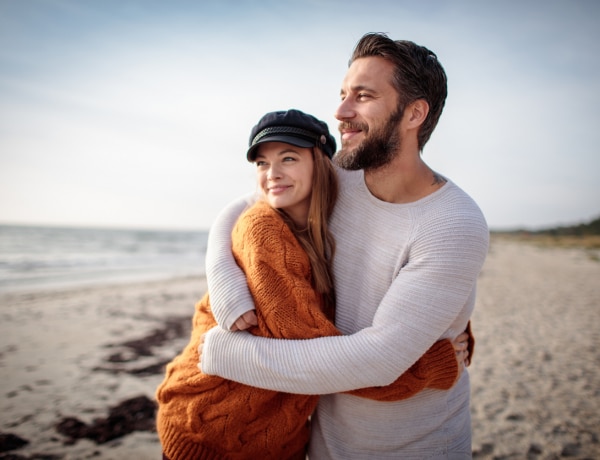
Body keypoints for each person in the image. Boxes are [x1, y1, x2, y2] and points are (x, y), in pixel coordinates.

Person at [199, 33, 489, 458]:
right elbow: (237, 210)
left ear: (414, 113)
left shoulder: (452, 223)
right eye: (342, 94)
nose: (340, 111)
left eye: (363, 96)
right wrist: (226, 282)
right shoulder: (341, 175)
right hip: (324, 439)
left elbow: (377, 359)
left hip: (413, 445)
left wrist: (226, 353)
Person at [156, 109, 470, 460]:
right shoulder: (264, 232)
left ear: (323, 163)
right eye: (261, 163)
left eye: (288, 158)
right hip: (215, 432)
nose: (272, 174)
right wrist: (431, 364)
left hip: (277, 435)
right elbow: (321, 363)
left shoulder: (321, 224)